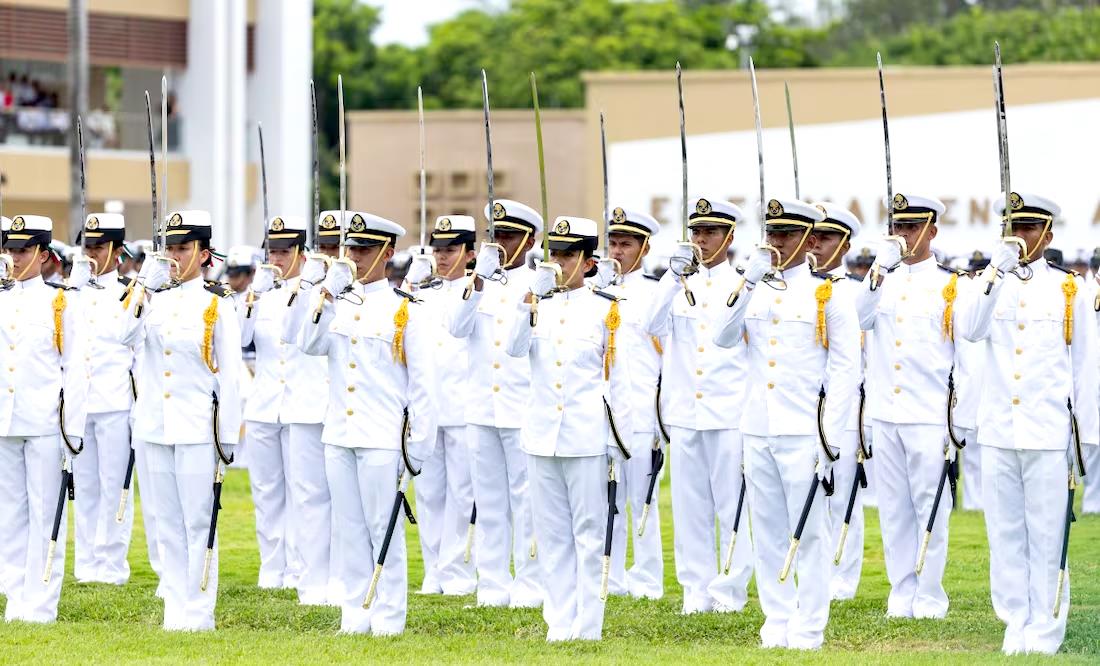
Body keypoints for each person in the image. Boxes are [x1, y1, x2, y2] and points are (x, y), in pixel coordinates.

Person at [714, 198, 860, 649]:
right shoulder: (753, 287)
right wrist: (748, 279)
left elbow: (845, 370)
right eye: (772, 233)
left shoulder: (828, 293)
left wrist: (830, 440)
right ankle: (776, 620)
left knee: (810, 531)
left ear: (808, 239)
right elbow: (722, 335)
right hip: (758, 426)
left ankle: (809, 625)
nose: (776, 241)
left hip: (804, 430)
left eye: (787, 234)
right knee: (767, 529)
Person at [960, 192, 1098, 655]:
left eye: (1028, 228)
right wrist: (994, 272)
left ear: (1048, 235)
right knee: (1004, 534)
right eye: (1012, 227)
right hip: (999, 427)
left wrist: (1084, 437)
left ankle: (1045, 627)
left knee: (1046, 533)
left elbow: (1085, 367)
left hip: (1047, 430)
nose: (1019, 236)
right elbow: (971, 329)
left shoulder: (1069, 289)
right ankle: (1014, 623)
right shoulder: (988, 282)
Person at [299, 211, 436, 635]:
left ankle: (389, 618)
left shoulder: (405, 310)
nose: (354, 256)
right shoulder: (336, 303)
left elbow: (423, 386)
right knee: (349, 529)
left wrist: (417, 449)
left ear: (387, 252)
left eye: (364, 249)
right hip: (340, 432)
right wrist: (325, 296)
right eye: (351, 248)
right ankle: (355, 615)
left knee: (384, 528)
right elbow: (309, 344)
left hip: (382, 436)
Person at [506, 215, 632, 641]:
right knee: (552, 535)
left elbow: (619, 382)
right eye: (554, 254)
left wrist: (618, 443)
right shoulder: (535, 305)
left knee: (589, 534)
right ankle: (559, 623)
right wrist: (529, 301)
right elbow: (513, 349)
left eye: (567, 255)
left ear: (588, 262)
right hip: (542, 436)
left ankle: (588, 624)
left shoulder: (606, 309)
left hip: (586, 436)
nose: (558, 263)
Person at [120, 210, 242, 631]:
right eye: (170, 247)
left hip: (196, 428)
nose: (174, 255)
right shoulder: (152, 298)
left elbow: (231, 376)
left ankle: (199, 611)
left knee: (197, 520)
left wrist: (226, 439)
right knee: (165, 523)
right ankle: (175, 610)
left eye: (183, 248)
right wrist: (142, 285)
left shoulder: (217, 304)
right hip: (154, 425)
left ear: (204, 254)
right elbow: (121, 335)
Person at [855, 194, 970, 620]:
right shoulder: (880, 279)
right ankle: (901, 592)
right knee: (894, 509)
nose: (903, 235)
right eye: (898, 227)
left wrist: (957, 422)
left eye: (911, 227)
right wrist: (878, 269)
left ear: (931, 231)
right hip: (886, 411)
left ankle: (930, 596)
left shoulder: (951, 284)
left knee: (931, 507)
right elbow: (859, 319)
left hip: (928, 414)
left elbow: (964, 358)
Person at [644, 197, 753, 615]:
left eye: (710, 232)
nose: (701, 240)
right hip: (686, 410)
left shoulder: (744, 283)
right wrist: (672, 278)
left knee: (732, 506)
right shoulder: (676, 284)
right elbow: (650, 326)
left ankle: (729, 591)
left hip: (728, 411)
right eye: (696, 232)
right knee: (690, 508)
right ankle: (696, 591)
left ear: (729, 236)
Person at [448, 199, 543, 608]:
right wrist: (478, 282)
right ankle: (491, 584)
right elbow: (456, 328)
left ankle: (530, 584)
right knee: (487, 502)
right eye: (496, 235)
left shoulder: (541, 283)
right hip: (482, 405)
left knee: (526, 502)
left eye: (509, 235)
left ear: (529, 241)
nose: (500, 243)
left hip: (522, 406)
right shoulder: (475, 283)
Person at [0, 214, 87, 623]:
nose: (15, 257)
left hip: (45, 424)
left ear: (43, 254)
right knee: (10, 514)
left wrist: (72, 431)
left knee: (45, 513)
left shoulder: (61, 301)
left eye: (23, 250)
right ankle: (15, 597)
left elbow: (76, 369)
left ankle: (40, 602)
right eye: (10, 249)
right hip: (6, 421)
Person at [239, 216, 328, 599]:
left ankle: (302, 568)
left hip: (303, 404)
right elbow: (239, 338)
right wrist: (251, 298)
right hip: (264, 404)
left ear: (300, 253)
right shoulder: (261, 294)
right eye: (272, 251)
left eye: (283, 251)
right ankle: (272, 566)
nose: (276, 258)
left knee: (305, 493)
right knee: (266, 491)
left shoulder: (317, 292)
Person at [403, 216, 478, 596]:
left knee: (462, 495)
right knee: (430, 494)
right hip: (429, 408)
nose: (443, 257)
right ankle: (434, 570)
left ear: (469, 253)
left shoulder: (476, 291)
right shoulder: (423, 293)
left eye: (450, 250)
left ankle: (458, 572)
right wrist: (409, 283)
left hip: (464, 406)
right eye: (438, 250)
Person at [597, 206, 664, 599]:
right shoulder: (595, 290)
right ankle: (614, 577)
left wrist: (660, 418)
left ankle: (648, 581)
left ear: (645, 248)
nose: (617, 251)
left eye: (626, 244)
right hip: (602, 412)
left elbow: (666, 359)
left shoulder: (654, 294)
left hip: (640, 412)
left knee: (643, 501)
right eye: (614, 243)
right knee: (607, 500)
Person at [70, 213, 139, 585]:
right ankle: (86, 564)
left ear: (116, 250)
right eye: (88, 246)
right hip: (82, 404)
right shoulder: (74, 293)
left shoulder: (130, 292)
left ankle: (111, 565)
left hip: (115, 403)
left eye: (98, 247)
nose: (91, 254)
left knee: (115, 488)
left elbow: (137, 351)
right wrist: (72, 288)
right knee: (85, 488)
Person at [807, 202, 867, 600]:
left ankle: (842, 578)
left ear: (844, 245)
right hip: (801, 408)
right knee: (806, 494)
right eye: (812, 235)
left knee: (842, 493)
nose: (815, 243)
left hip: (843, 409)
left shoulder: (856, 292)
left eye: (826, 237)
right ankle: (813, 573)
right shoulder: (794, 288)